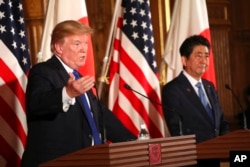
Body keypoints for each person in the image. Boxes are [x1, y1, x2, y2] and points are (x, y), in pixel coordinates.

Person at [21, 20, 136, 167]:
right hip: (55, 162)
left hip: (90, 160)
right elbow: (37, 104)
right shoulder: (43, 71)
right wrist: (67, 93)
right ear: (59, 48)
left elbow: (102, 117)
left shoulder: (79, 78)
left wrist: (134, 143)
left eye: (85, 43)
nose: (84, 49)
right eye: (77, 44)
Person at [161, 35, 229, 167]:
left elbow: (221, 121)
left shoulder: (209, 86)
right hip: (193, 159)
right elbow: (177, 129)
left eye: (206, 56)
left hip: (218, 156)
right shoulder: (173, 89)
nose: (204, 61)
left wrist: (224, 144)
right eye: (198, 56)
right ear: (184, 60)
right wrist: (208, 147)